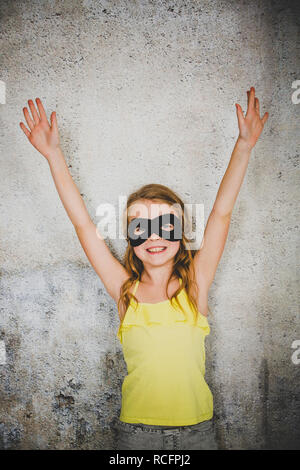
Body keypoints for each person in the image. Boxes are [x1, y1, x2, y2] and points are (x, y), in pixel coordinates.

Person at [19, 87, 269, 450]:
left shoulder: (195, 285)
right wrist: (53, 155)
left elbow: (221, 214)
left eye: (165, 224)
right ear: (131, 239)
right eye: (140, 226)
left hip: (198, 433)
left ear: (182, 235)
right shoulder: (125, 291)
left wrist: (243, 146)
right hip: (136, 436)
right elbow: (84, 227)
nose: (154, 236)